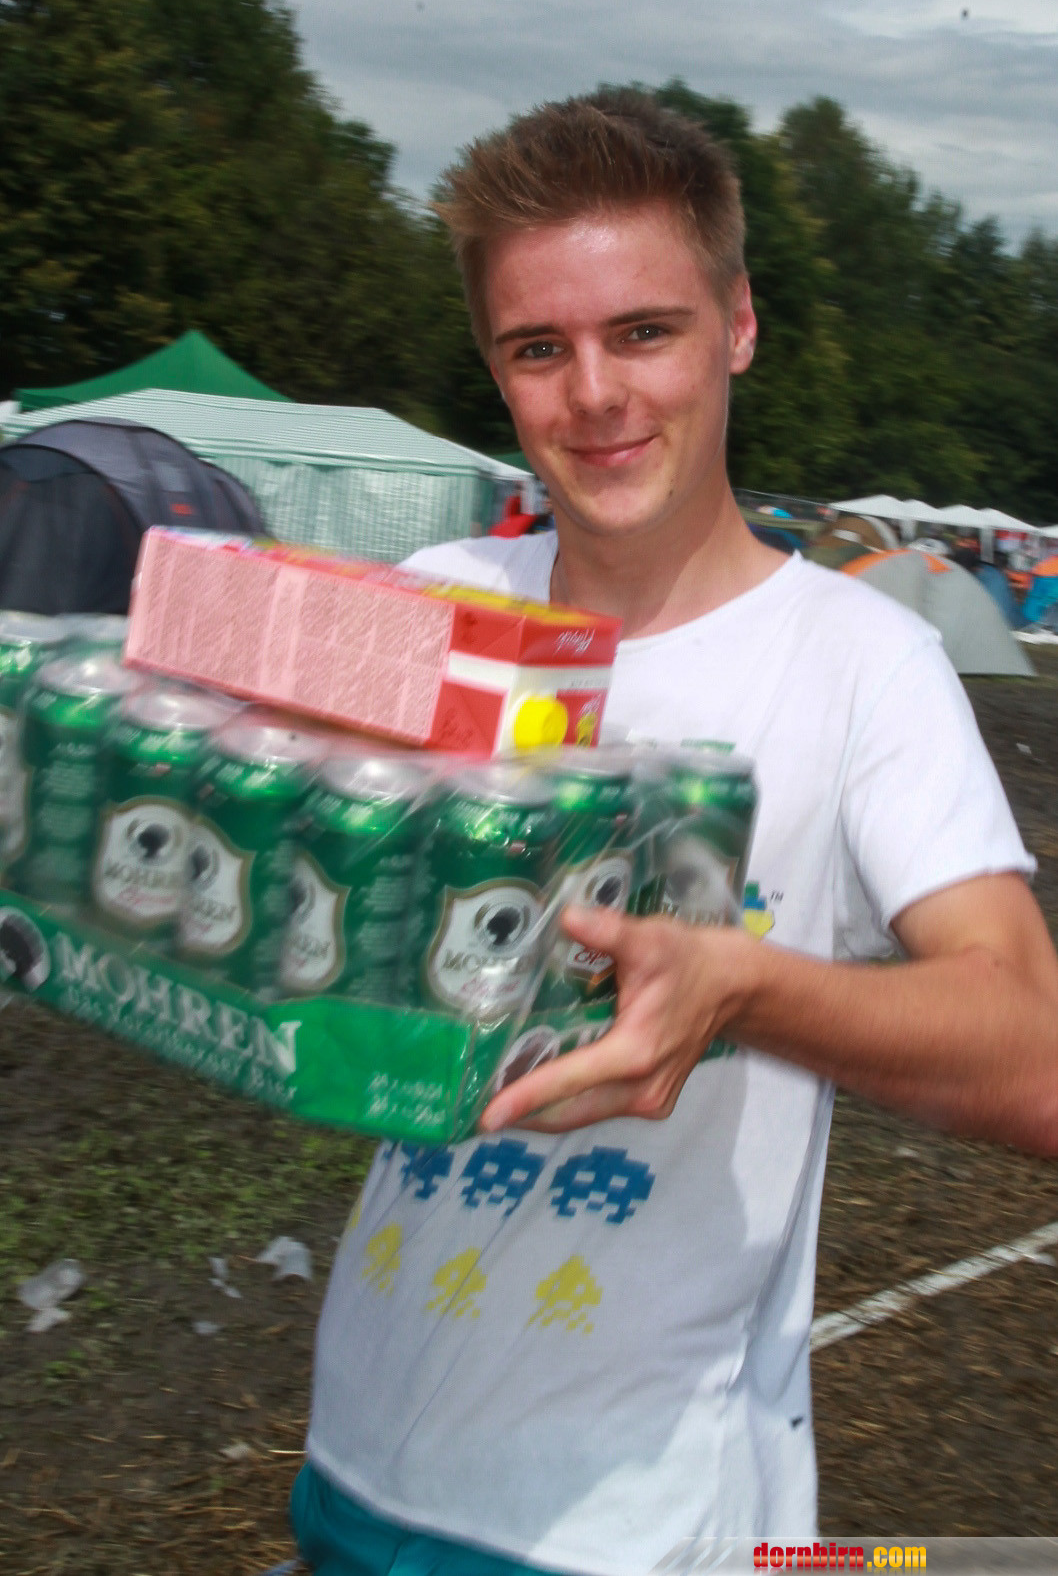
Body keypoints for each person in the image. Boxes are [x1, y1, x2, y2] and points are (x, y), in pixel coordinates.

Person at [291, 89, 1058, 1575]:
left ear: (738, 325)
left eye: (642, 332)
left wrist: (742, 990)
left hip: (639, 1527)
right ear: (495, 367)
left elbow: (1032, 1054)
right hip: (356, 1464)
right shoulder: (437, 604)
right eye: (538, 348)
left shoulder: (859, 661)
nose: (594, 394)